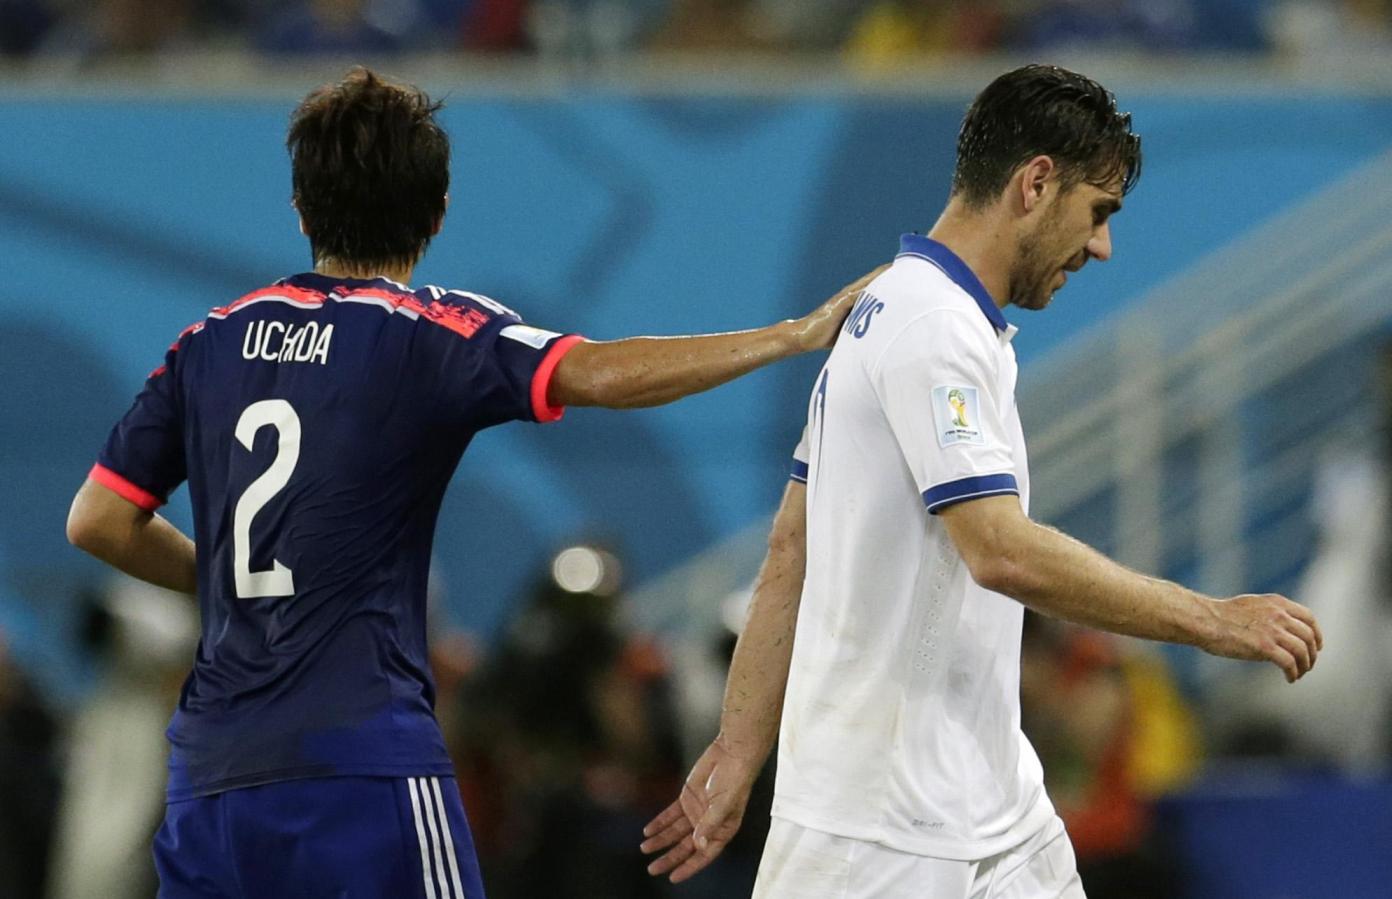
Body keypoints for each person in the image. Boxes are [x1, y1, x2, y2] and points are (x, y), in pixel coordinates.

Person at [64, 67, 871, 899]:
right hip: (360, 764)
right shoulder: (425, 333)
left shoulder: (209, 341)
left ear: (301, 208)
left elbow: (99, 519)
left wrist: (224, 580)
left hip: (213, 775)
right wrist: (791, 334)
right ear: (437, 212)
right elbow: (598, 372)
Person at [641, 64, 1323, 898]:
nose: (1102, 247)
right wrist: (1212, 619)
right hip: (876, 836)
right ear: (1036, 183)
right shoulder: (931, 327)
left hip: (994, 808)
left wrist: (740, 745)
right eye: (1098, 211)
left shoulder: (898, 308)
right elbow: (999, 551)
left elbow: (792, 546)